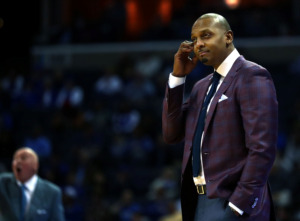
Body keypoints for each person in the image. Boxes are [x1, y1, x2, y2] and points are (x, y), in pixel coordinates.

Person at [162, 13, 278, 221]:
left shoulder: (252, 75)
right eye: (194, 39)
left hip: (233, 202)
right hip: (199, 201)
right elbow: (171, 134)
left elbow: (262, 149)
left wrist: (238, 207)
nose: (198, 44)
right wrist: (178, 77)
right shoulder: (201, 87)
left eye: (206, 35)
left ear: (228, 37)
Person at [0, 147, 65, 221]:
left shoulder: (52, 192)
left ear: (35, 165)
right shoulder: (2, 182)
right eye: (15, 159)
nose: (17, 162)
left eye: (23, 158)